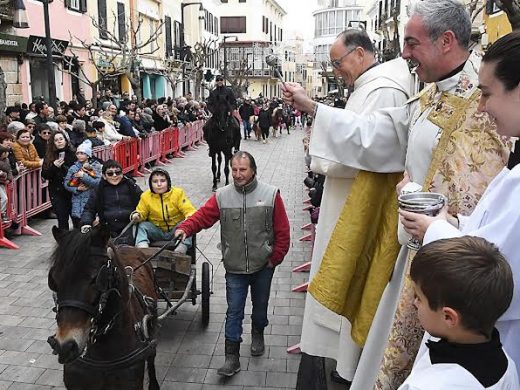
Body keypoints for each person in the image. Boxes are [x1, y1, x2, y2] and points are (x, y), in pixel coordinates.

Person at [282, 1, 509, 388]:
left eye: (412, 43)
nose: (403, 54)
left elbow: (477, 196)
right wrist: (313, 108)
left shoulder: (484, 104)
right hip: (410, 250)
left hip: (448, 262)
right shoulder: (426, 96)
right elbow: (373, 135)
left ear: (447, 41)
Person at [296, 28, 413, 387]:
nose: (336, 71)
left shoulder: (385, 88)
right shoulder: (372, 84)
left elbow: (372, 147)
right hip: (345, 199)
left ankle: (346, 368)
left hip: (359, 208)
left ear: (360, 54)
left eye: (337, 62)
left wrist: (314, 109)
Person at [399, 31, 520, 374]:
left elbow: (498, 271)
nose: (480, 107)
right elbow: (496, 229)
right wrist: (453, 224)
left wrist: (433, 229)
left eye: (486, 93)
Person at [174, 151, 291, 377]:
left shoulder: (271, 194)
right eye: (234, 170)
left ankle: (258, 332)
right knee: (234, 311)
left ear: (253, 170)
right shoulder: (222, 196)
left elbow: (283, 232)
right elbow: (202, 217)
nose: (237, 174)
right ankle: (231, 358)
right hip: (234, 267)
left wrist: (274, 258)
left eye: (242, 170)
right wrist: (185, 228)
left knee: (259, 308)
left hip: (262, 267)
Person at [398, 237, 519, 389]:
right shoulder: (507, 366)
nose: (414, 303)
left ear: (448, 317)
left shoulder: (428, 386)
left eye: (419, 298)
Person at [130, 168, 195, 252]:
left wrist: (189, 216)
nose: (159, 184)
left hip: (176, 231)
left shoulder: (178, 193)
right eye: (155, 181)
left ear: (168, 182)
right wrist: (137, 216)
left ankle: (180, 250)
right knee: (142, 226)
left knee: (188, 224)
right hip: (157, 230)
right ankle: (143, 250)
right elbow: (141, 212)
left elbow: (189, 209)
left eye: (162, 181)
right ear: (151, 184)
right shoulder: (146, 196)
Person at [80, 160, 142, 244]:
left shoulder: (131, 186)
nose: (114, 175)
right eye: (110, 173)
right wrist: (86, 223)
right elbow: (89, 209)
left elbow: (144, 202)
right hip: (107, 228)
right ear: (104, 176)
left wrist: (139, 214)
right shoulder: (98, 190)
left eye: (118, 172)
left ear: (122, 173)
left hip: (131, 225)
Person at [42, 132, 76, 231]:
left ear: (65, 140)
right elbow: (45, 175)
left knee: (77, 219)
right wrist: (54, 167)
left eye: (61, 139)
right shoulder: (49, 156)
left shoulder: (73, 153)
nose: (59, 141)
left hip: (73, 191)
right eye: (56, 140)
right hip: (57, 192)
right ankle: (64, 243)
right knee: (62, 220)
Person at [64, 142, 102, 228]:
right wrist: (76, 189)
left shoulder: (95, 166)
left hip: (91, 199)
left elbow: (98, 182)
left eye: (82, 153)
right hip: (77, 201)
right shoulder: (73, 168)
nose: (79, 155)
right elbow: (67, 184)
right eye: (78, 153)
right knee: (78, 226)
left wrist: (84, 176)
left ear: (88, 155)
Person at [0, 145, 13, 222]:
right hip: (1, 182)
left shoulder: (7, 160)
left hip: (3, 183)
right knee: (4, 198)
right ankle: (2, 213)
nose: (7, 153)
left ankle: (3, 213)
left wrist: (9, 178)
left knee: (5, 198)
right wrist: (4, 175)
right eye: (5, 152)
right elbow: (7, 170)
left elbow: (9, 171)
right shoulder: (5, 161)